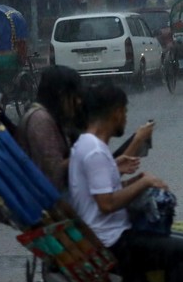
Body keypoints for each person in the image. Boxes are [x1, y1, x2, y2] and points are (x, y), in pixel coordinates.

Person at [68, 83, 183, 282]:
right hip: (113, 242)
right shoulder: (94, 150)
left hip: (111, 234)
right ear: (116, 113)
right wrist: (144, 184)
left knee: (181, 239)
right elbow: (106, 204)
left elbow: (105, 190)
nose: (126, 119)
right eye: (125, 112)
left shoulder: (89, 144)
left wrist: (128, 177)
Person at [18, 65, 152, 193]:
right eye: (74, 96)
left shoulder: (48, 118)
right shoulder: (41, 120)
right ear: (61, 95)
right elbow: (54, 173)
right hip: (55, 198)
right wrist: (89, 157)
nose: (78, 102)